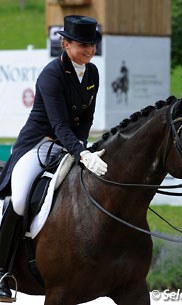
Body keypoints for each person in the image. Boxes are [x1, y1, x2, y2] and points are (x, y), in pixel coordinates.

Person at [0, 15, 107, 301]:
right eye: (82, 44)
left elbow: (86, 118)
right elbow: (59, 124)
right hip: (37, 145)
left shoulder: (92, 73)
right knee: (20, 198)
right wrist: (81, 152)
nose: (89, 50)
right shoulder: (51, 74)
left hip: (68, 146)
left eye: (92, 44)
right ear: (66, 43)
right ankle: (1, 272)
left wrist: (81, 145)